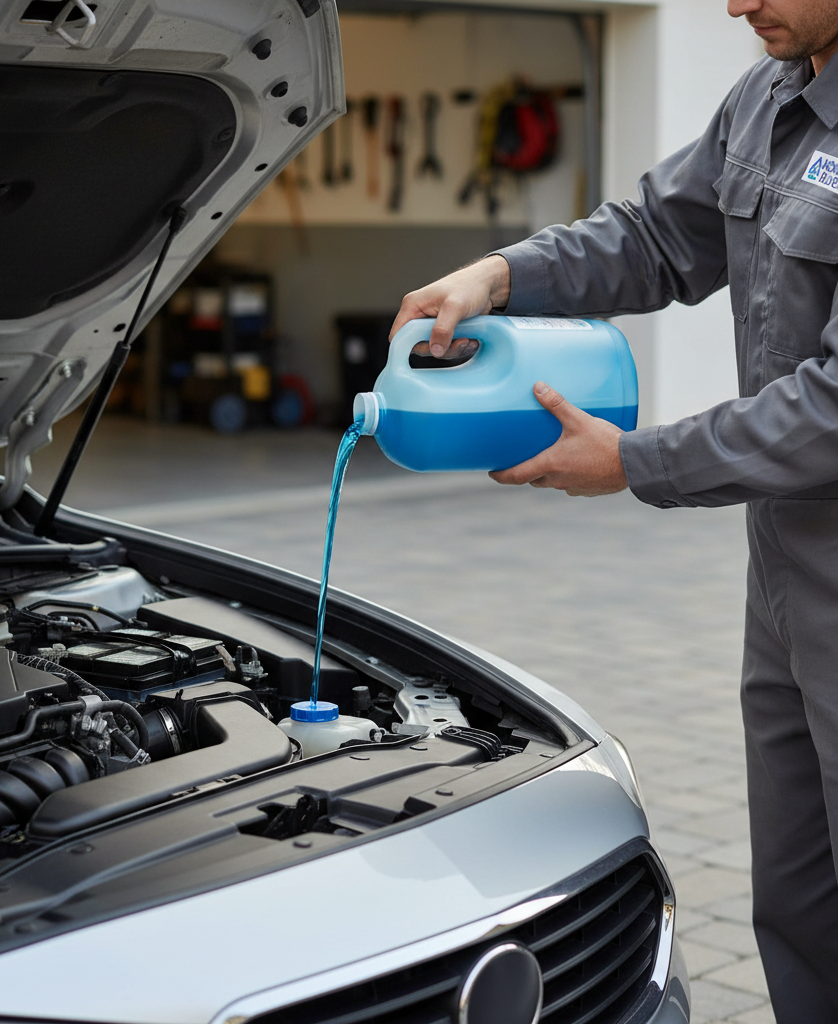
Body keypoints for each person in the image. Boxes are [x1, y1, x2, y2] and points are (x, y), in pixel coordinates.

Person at [390, 1, 838, 1019]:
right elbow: (654, 236)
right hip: (785, 575)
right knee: (799, 899)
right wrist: (499, 275)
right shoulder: (768, 97)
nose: (734, 4)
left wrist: (636, 461)